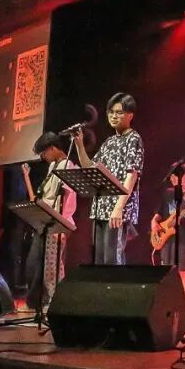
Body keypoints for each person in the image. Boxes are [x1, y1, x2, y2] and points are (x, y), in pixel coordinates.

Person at [73, 93, 143, 265]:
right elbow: (89, 167)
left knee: (112, 260)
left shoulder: (133, 139)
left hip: (117, 209)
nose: (113, 116)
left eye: (119, 112)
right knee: (99, 260)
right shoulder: (109, 142)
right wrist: (79, 145)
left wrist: (119, 207)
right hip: (101, 207)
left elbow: (132, 174)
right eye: (110, 112)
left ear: (130, 115)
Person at [22, 131, 77, 310]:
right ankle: (45, 300)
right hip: (45, 221)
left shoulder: (68, 165)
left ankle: (58, 301)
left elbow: (67, 199)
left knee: (52, 266)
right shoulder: (53, 166)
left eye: (44, 152)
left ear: (53, 148)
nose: (43, 157)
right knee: (39, 265)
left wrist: (61, 225)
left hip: (57, 223)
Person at [151, 161, 185, 304]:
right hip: (167, 238)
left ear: (184, 176)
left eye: (175, 175)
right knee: (167, 270)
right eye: (171, 175)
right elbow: (159, 214)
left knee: (183, 270)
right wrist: (154, 223)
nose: (172, 178)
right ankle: (167, 300)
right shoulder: (168, 193)